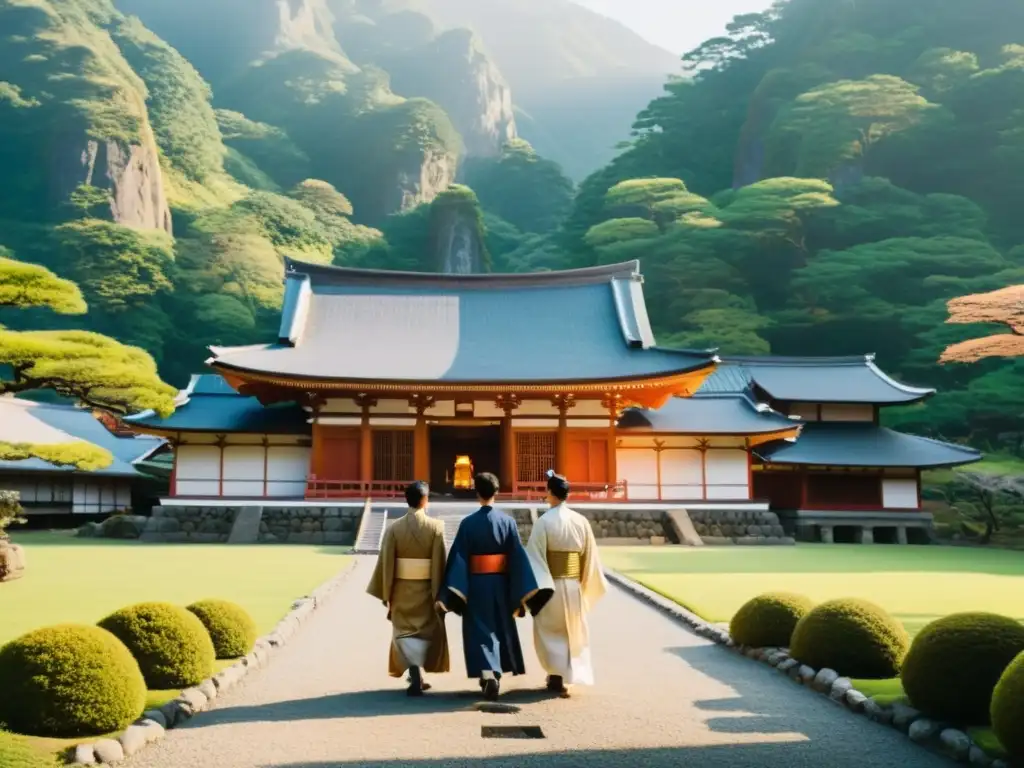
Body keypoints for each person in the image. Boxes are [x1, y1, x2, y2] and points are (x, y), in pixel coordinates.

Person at [436, 472, 552, 700]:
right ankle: (494, 674)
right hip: (500, 583)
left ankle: (488, 675)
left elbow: (458, 558)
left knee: (479, 630)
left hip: (476, 583)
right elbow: (517, 557)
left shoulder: (468, 524)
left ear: (477, 493)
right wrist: (519, 588)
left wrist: (453, 591)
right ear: (496, 492)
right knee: (499, 628)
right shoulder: (507, 522)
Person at [525, 472, 608, 698]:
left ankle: (555, 675)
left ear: (550, 493)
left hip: (550, 585)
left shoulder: (543, 522)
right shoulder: (581, 521)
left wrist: (532, 592)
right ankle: (567, 675)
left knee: (550, 631)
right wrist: (581, 583)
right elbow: (589, 558)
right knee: (572, 631)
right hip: (573, 586)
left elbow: (534, 557)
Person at [366, 481, 449, 696]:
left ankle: (414, 673)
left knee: (405, 630)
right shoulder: (436, 527)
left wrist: (387, 592)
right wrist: (440, 592)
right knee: (426, 630)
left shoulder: (394, 528)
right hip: (427, 590)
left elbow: (386, 563)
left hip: (401, 589)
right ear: (424, 500)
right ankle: (418, 674)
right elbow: (441, 563)